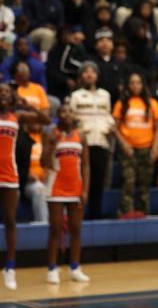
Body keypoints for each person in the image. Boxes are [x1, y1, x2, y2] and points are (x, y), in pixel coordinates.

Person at [0, 82, 49, 290]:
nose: (3, 95)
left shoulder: (17, 117)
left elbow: (45, 120)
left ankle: (10, 267)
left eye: (6, 93)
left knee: (10, 219)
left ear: (12, 97)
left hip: (10, 174)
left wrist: (27, 105)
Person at [42, 104, 91, 284]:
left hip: (76, 187)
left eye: (70, 111)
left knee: (76, 228)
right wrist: (51, 145)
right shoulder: (50, 134)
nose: (67, 114)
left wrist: (85, 189)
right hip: (55, 187)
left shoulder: (81, 136)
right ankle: (52, 268)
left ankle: (75, 267)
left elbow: (85, 165)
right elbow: (43, 162)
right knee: (55, 228)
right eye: (63, 111)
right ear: (58, 115)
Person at [67, 61, 115, 219]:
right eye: (86, 72)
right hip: (82, 142)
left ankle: (96, 212)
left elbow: (108, 116)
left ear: (97, 76)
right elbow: (71, 118)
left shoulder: (105, 95)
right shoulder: (76, 96)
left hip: (100, 140)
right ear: (81, 76)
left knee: (98, 178)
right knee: (81, 178)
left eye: (92, 72)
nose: (89, 74)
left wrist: (110, 127)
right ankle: (78, 211)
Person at [112, 73, 158, 218]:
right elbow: (114, 127)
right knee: (128, 182)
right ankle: (125, 214)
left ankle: (143, 214)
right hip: (128, 149)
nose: (135, 86)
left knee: (144, 185)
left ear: (143, 85)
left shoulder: (152, 103)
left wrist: (156, 146)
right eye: (132, 83)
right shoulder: (121, 103)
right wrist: (124, 144)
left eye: (138, 83)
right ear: (128, 85)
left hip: (146, 148)